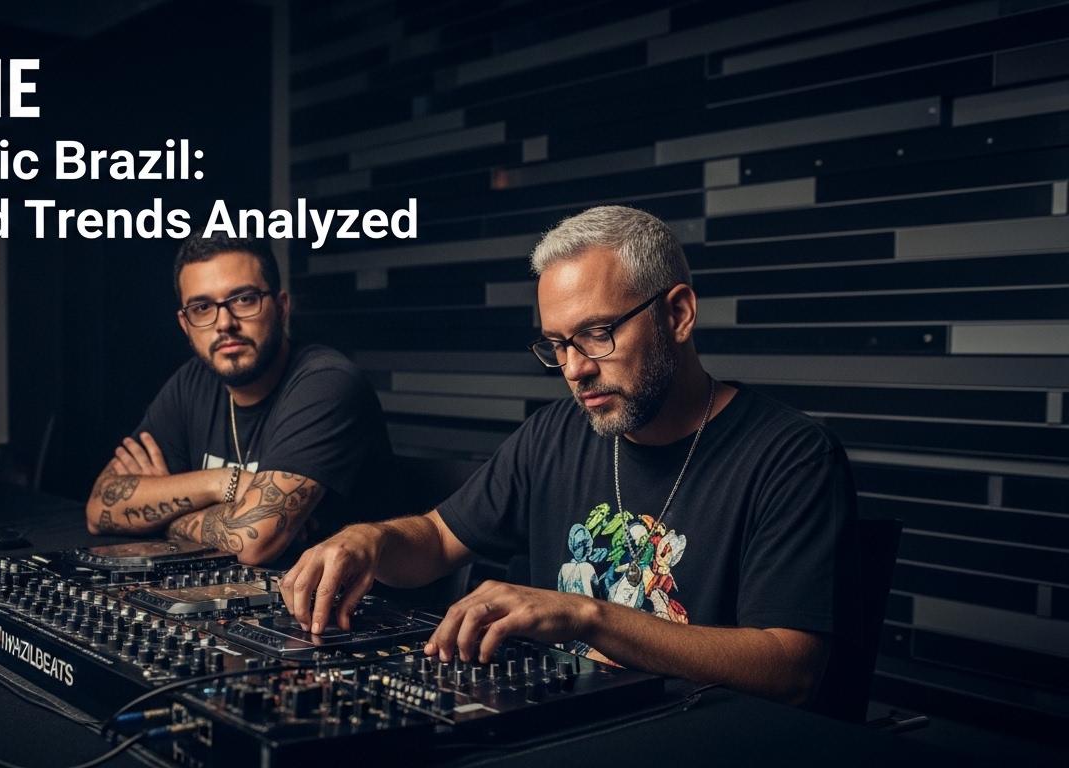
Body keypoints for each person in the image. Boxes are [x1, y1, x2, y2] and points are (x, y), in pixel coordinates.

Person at [280, 205, 855, 706]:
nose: (575, 369)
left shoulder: (791, 456)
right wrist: (370, 541)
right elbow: (435, 540)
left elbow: (790, 668)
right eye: (557, 344)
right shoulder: (555, 432)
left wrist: (585, 614)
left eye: (598, 332)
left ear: (677, 314)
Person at [84, 233, 394, 568]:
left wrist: (163, 518)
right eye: (202, 308)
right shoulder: (192, 381)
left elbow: (251, 543)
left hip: (347, 609)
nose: (224, 323)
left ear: (281, 306)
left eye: (244, 299)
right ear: (185, 325)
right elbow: (100, 509)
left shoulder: (326, 382)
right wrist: (224, 483)